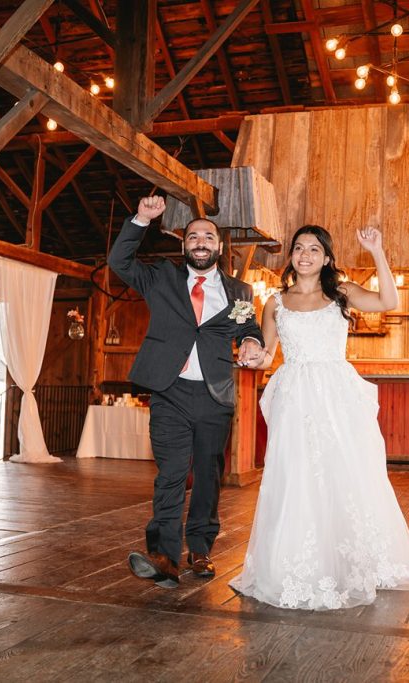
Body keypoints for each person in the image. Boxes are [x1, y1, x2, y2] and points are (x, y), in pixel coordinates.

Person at [231, 225, 409, 610]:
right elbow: (268, 356)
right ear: (291, 257)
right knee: (296, 477)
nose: (305, 255)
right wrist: (251, 356)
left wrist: (377, 251)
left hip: (337, 396)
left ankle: (351, 564)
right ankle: (296, 566)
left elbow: (388, 300)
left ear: (327, 258)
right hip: (294, 397)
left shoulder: (342, 293)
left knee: (346, 475)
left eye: (314, 249)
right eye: (299, 248)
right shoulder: (275, 302)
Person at [108, 195, 264, 589]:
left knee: (209, 478)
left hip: (215, 396)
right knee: (172, 475)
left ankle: (200, 548)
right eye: (192, 236)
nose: (200, 241)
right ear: (183, 246)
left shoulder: (239, 292)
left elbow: (248, 328)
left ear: (219, 246)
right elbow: (119, 263)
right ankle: (164, 555)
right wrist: (141, 219)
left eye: (207, 236)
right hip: (169, 391)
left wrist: (249, 342)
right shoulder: (161, 276)